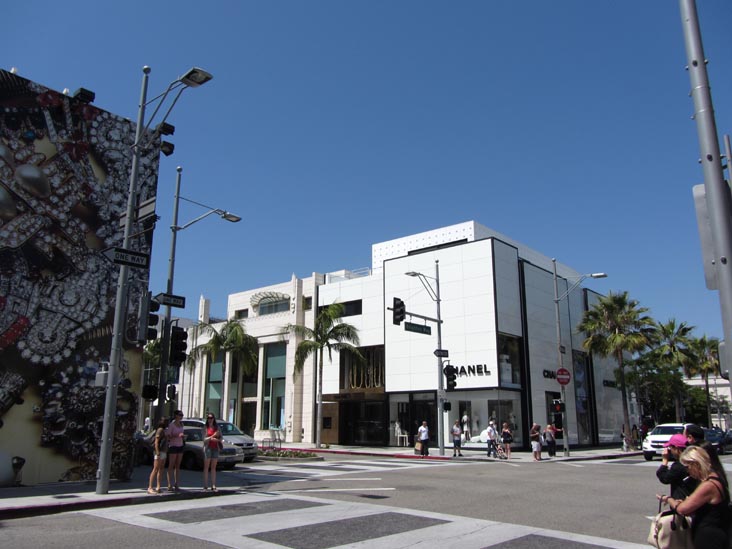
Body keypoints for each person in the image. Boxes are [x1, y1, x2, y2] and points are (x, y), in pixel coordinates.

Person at [657, 445, 730, 549]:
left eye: (687, 467)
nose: (687, 471)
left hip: (709, 537)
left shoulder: (708, 485)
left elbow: (682, 509)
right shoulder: (715, 477)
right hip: (714, 532)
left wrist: (669, 499)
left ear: (696, 464)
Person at [656, 434, 698, 500]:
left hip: (682, 501)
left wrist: (665, 460)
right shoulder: (692, 461)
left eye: (670, 448)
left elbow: (664, 478)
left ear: (676, 448)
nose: (670, 451)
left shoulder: (679, 465)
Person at [147, 417, 168, 494]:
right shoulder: (160, 430)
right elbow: (156, 442)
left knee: (161, 469)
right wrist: (157, 452)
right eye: (165, 421)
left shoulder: (165, 430)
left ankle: (158, 486)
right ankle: (150, 487)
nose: (167, 423)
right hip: (159, 452)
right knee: (155, 469)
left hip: (164, 451)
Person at [166, 410, 185, 491]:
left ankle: (176, 483)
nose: (181, 416)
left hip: (180, 445)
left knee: (178, 465)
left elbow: (182, 433)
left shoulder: (181, 424)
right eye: (180, 415)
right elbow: (168, 436)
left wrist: (183, 436)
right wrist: (176, 435)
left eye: (182, 415)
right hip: (173, 446)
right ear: (176, 415)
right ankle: (169, 484)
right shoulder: (171, 425)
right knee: (171, 465)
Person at [203, 413, 222, 490]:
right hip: (208, 448)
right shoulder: (205, 428)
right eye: (208, 418)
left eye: (211, 418)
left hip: (215, 448)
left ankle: (213, 484)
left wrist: (217, 440)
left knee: (213, 467)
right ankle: (205, 484)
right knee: (206, 467)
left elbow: (221, 438)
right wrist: (212, 436)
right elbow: (204, 439)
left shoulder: (217, 427)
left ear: (214, 419)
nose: (210, 419)